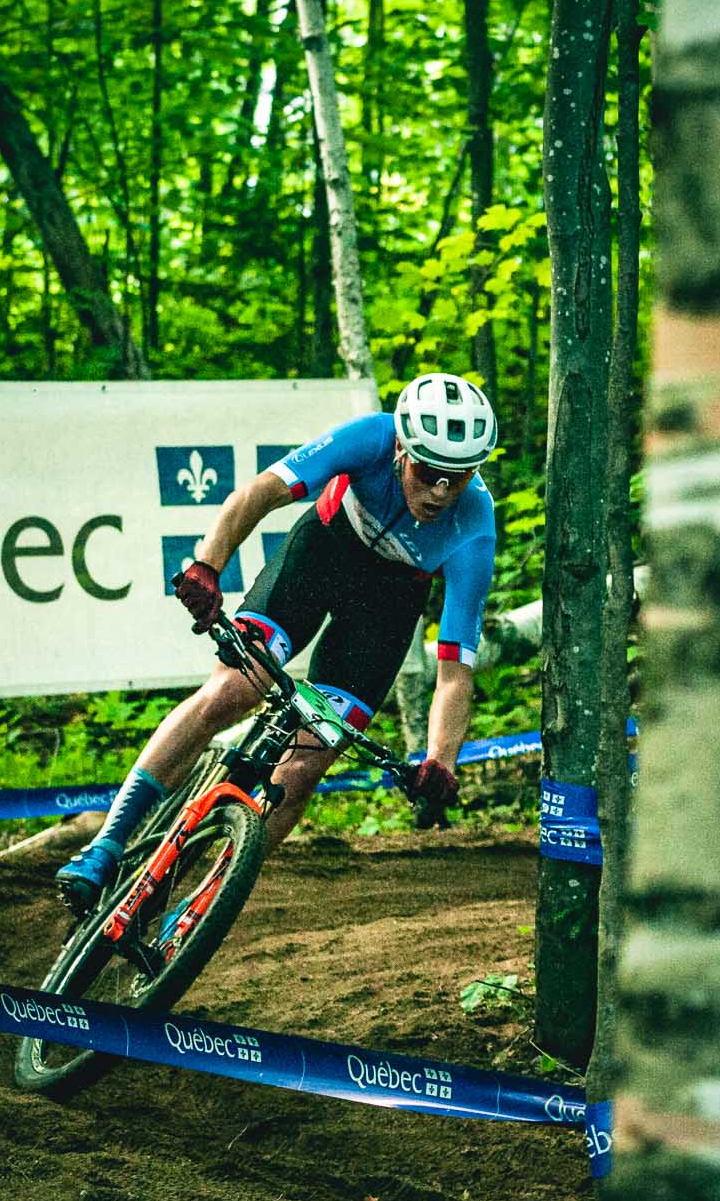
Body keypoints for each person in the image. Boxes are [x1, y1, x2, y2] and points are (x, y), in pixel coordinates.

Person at [55, 373, 499, 912]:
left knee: (306, 762)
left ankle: (203, 904)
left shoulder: (475, 526)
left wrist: (440, 761)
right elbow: (260, 493)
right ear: (403, 451)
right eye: (430, 473)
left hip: (385, 610)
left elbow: (454, 673)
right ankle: (106, 845)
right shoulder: (374, 436)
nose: (441, 493)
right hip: (321, 556)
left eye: (459, 477)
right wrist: (207, 566)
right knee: (229, 692)